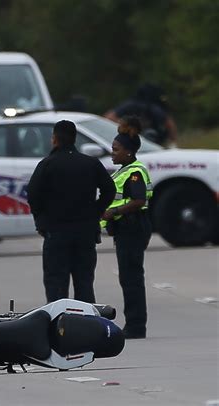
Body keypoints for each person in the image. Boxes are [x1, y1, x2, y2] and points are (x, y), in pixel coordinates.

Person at [27, 120, 116, 304]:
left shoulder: (47, 164)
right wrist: (96, 210)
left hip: (56, 233)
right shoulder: (90, 164)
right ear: (75, 139)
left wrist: (41, 221)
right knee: (84, 283)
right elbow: (109, 189)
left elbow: (33, 195)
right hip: (85, 232)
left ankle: (59, 325)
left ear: (54, 140)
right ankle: (86, 325)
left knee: (56, 284)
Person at [101, 116, 153, 339]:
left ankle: (136, 326)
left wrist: (114, 212)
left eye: (116, 149)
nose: (112, 153)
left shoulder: (134, 172)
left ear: (128, 152)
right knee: (128, 276)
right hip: (124, 230)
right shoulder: (123, 170)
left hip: (132, 228)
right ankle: (134, 323)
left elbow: (139, 200)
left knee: (131, 277)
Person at [104, 83, 178, 147]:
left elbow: (109, 117)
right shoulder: (155, 108)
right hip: (152, 142)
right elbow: (170, 124)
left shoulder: (130, 105)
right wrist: (173, 142)